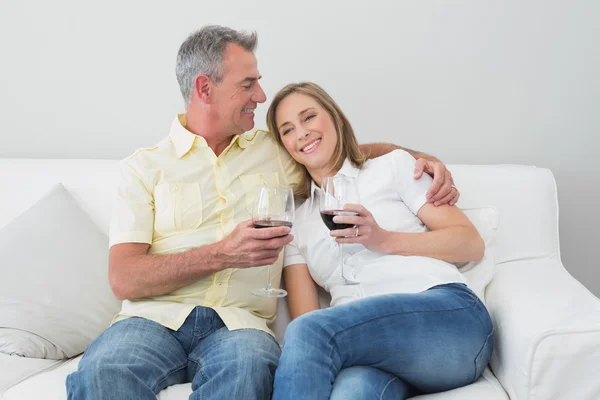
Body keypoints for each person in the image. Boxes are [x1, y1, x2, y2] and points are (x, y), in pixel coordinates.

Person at [66, 26, 458, 399]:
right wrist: (223, 254)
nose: (260, 95)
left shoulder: (274, 150)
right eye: (247, 84)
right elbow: (124, 278)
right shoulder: (145, 168)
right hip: (152, 320)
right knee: (103, 372)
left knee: (247, 374)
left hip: (241, 326)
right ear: (205, 88)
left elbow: (340, 152)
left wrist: (426, 160)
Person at [265, 82, 494, 400]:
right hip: (368, 356)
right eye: (287, 130)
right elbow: (308, 321)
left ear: (334, 117)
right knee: (351, 392)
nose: (301, 133)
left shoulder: (393, 167)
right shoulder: (299, 221)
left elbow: (470, 243)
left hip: (448, 321)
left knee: (308, 332)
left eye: (309, 117)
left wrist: (384, 240)